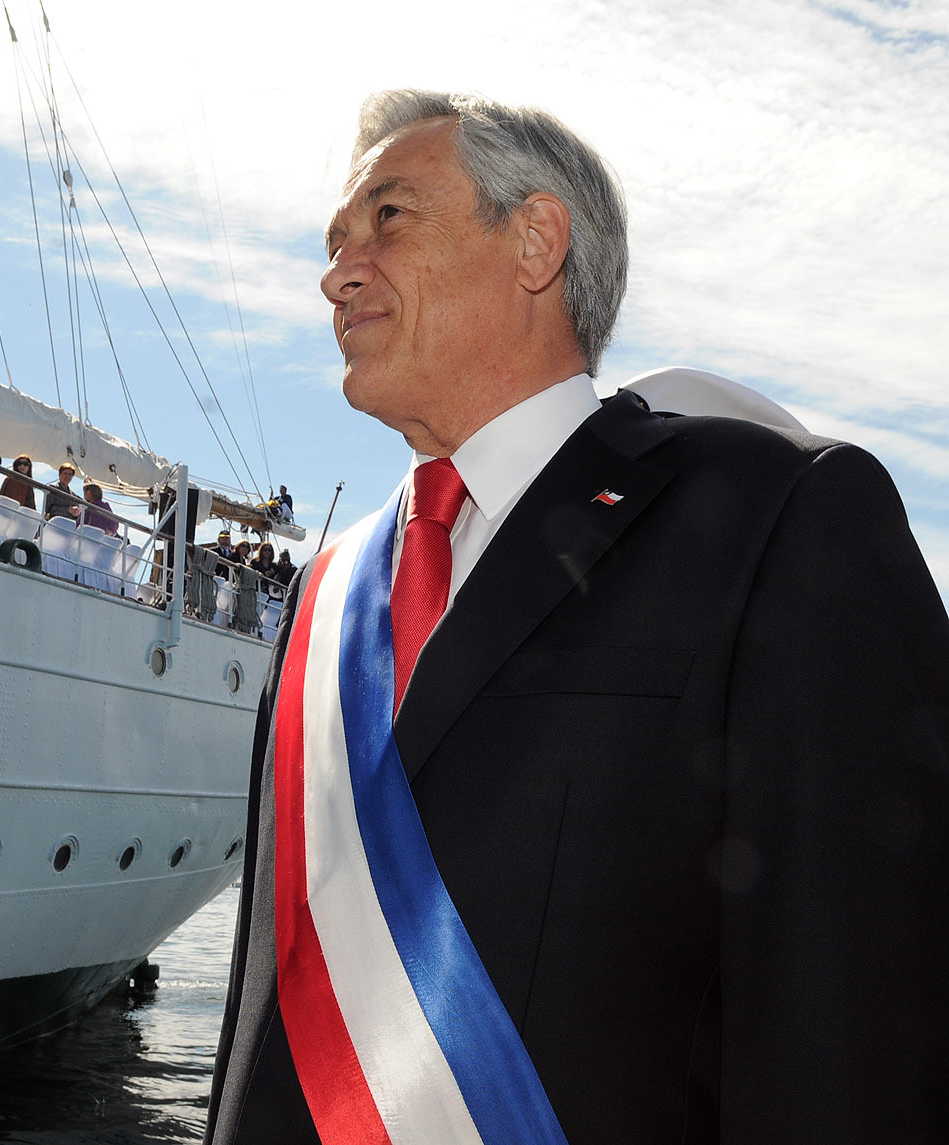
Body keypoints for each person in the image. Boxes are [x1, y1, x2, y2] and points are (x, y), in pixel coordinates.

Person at [205, 90, 949, 1145]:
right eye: (333, 244)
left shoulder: (771, 514)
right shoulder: (321, 597)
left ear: (535, 242)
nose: (336, 274)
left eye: (387, 217)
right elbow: (263, 1012)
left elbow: (858, 1013)